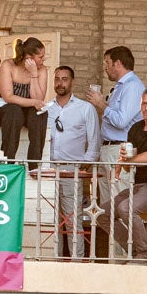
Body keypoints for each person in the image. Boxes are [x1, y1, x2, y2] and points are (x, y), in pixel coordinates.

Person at [93, 88, 147, 260]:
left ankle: (143, 253)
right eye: (144, 103)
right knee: (101, 213)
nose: (146, 108)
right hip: (140, 186)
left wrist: (129, 160)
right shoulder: (136, 128)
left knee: (126, 208)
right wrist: (123, 162)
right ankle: (135, 249)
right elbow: (129, 166)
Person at [45, 65, 100, 260]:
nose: (60, 83)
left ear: (72, 82)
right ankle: (53, 259)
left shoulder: (85, 108)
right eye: (57, 79)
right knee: (50, 218)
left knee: (72, 219)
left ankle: (76, 262)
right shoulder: (46, 108)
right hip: (49, 169)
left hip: (72, 169)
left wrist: (84, 164)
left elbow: (94, 140)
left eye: (64, 79)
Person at [83, 46, 144, 202]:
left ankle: (122, 227)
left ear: (117, 63)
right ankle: (110, 228)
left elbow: (121, 121)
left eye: (107, 62)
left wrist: (101, 105)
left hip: (120, 150)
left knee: (118, 199)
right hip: (109, 149)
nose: (105, 68)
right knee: (106, 203)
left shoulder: (133, 86)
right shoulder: (120, 87)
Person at [0, 37, 49, 169]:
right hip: (4, 108)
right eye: (40, 57)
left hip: (27, 109)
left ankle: (35, 164)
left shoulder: (41, 70)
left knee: (40, 114)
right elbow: (8, 97)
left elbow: (39, 98)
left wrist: (34, 74)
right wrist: (34, 101)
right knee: (14, 111)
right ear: (29, 57)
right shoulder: (8, 65)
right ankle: (8, 162)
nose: (43, 60)